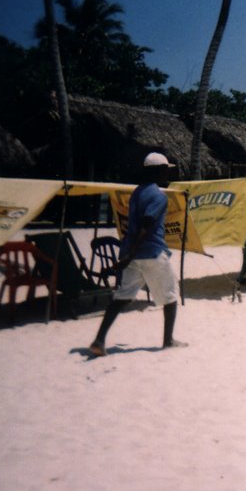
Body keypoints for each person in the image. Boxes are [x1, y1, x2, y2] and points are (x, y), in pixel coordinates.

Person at [88, 152, 186, 357]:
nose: (167, 173)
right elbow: (147, 226)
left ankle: (99, 340)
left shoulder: (138, 192)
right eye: (165, 170)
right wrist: (131, 254)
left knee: (122, 298)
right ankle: (168, 341)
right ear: (158, 171)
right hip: (151, 253)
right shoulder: (159, 196)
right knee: (170, 296)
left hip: (131, 254)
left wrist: (128, 256)